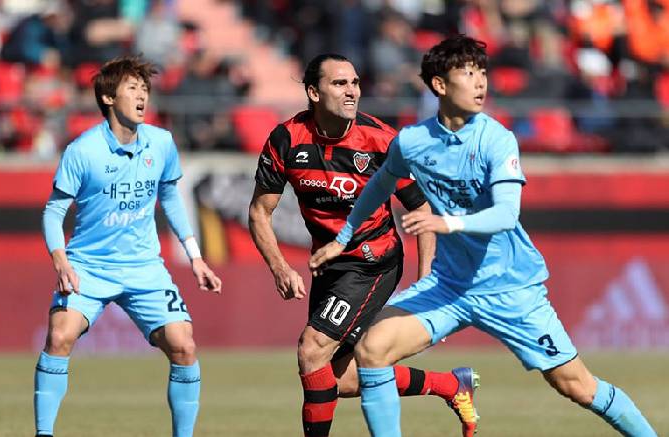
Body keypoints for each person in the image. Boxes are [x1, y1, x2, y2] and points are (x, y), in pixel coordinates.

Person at [309, 35, 658, 437]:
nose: (480, 83)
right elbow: (381, 183)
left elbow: (507, 213)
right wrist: (344, 236)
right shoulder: (412, 141)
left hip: (511, 289)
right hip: (450, 287)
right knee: (372, 350)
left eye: (482, 73)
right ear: (440, 85)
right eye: (468, 73)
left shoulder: (496, 138)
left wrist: (447, 224)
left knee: (576, 386)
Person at [248, 53, 479, 437]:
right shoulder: (287, 139)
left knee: (311, 349)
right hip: (328, 266)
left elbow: (422, 210)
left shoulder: (382, 141)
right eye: (340, 83)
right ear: (314, 92)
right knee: (336, 379)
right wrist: (279, 267)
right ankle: (452, 387)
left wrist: (423, 286)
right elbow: (259, 212)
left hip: (373, 262)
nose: (352, 90)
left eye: (354, 82)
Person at [33, 55, 222, 437]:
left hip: (144, 269)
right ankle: (44, 433)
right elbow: (53, 212)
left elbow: (169, 197)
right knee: (58, 337)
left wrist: (195, 256)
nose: (142, 96)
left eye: (145, 89)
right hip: (89, 267)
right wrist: (61, 260)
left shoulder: (162, 142)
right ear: (108, 98)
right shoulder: (82, 151)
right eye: (132, 88)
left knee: (183, 345)